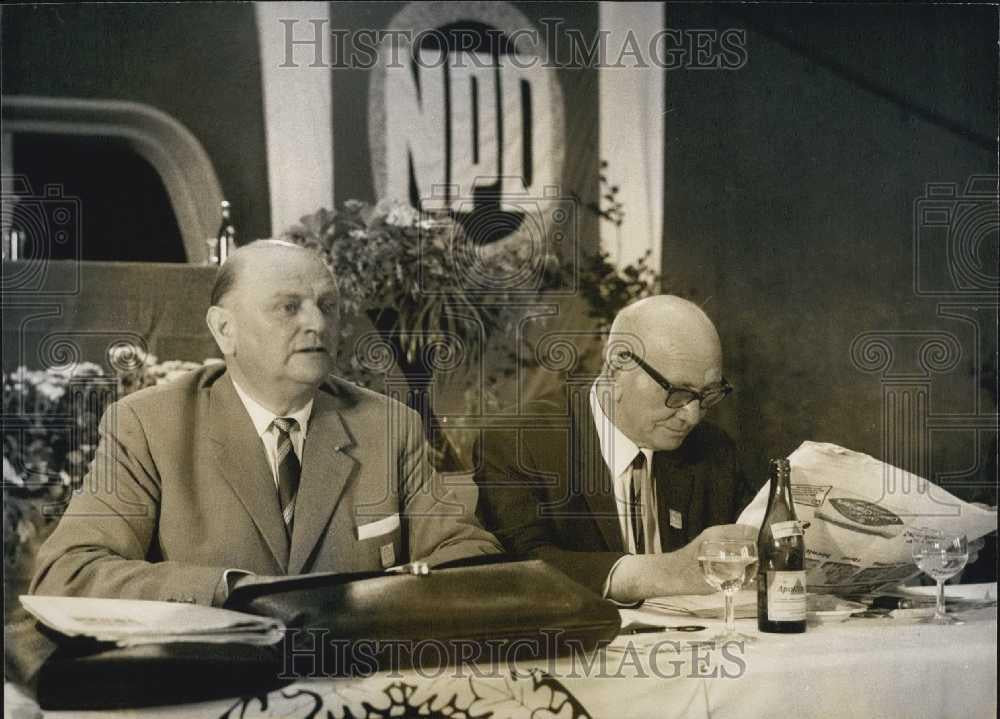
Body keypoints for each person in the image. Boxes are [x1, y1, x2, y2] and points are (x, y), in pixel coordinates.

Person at [31, 241, 502, 606]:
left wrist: (397, 591)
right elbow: (67, 572)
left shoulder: (388, 424)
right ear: (224, 330)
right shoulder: (150, 424)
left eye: (328, 305)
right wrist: (227, 589)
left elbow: (471, 555)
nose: (317, 323)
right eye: (288, 307)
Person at [475, 295, 757, 603]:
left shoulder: (712, 449)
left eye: (708, 394)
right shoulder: (519, 443)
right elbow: (520, 567)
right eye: (677, 392)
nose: (692, 415)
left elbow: (750, 546)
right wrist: (663, 572)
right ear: (618, 362)